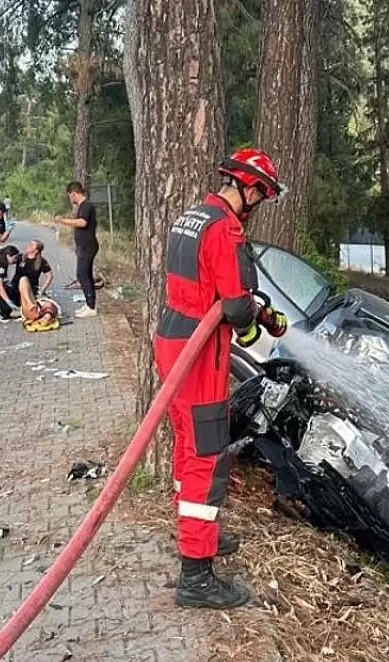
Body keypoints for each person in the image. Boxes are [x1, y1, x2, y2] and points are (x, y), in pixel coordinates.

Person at [153, 148, 290, 610]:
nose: (259, 204)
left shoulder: (190, 217)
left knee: (186, 443)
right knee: (207, 457)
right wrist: (258, 321)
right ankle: (196, 575)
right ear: (248, 188)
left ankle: (195, 532)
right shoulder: (226, 228)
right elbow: (235, 307)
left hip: (171, 340)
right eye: (262, 195)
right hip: (200, 353)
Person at [54, 182, 99, 319]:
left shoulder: (86, 206)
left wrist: (63, 220)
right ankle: (89, 304)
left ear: (74, 193)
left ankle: (91, 307)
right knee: (86, 275)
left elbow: (82, 222)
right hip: (83, 246)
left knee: (82, 274)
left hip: (88, 246)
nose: (70, 199)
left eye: (70, 196)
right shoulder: (81, 206)